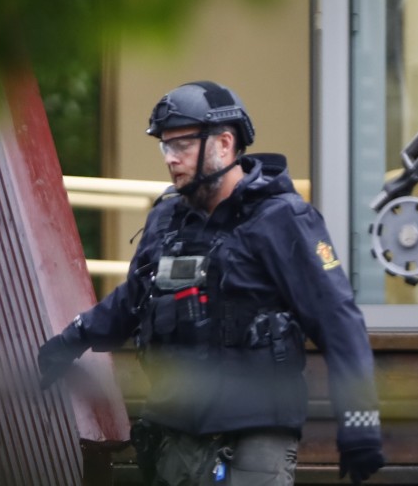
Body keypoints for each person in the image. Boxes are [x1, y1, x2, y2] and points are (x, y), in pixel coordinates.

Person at [38, 80, 385, 486]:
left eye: (181, 145)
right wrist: (72, 339)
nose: (170, 158)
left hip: (253, 436)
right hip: (174, 433)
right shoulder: (166, 219)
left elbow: (338, 320)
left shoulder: (282, 218)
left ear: (223, 143)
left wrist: (360, 424)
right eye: (164, 146)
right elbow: (132, 300)